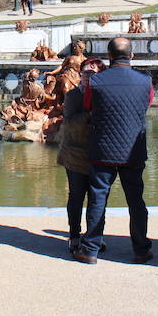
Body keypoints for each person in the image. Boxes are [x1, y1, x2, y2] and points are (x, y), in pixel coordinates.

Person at [73, 37, 154, 265]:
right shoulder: (145, 81)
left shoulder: (96, 81)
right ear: (132, 56)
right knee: (136, 201)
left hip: (103, 148)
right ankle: (141, 249)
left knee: (98, 198)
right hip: (133, 150)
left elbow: (88, 106)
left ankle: (90, 249)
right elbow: (146, 105)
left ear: (109, 56)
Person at [57, 58, 106, 253]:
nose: (89, 76)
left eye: (94, 73)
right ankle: (75, 235)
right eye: (86, 72)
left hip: (101, 154)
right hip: (76, 153)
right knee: (76, 197)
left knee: (98, 199)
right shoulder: (73, 96)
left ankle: (94, 236)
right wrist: (91, 114)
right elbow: (70, 122)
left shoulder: (103, 95)